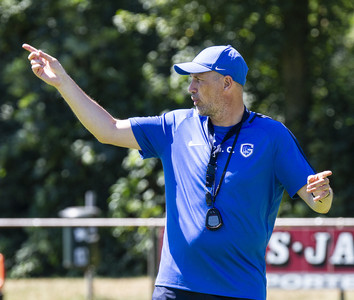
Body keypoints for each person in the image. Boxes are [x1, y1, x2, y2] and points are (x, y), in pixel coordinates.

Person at [22, 43, 333, 300]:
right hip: (175, 287)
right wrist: (62, 81)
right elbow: (109, 129)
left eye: (199, 79)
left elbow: (318, 202)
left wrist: (322, 195)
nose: (190, 88)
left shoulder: (272, 136)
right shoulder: (175, 125)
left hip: (239, 290)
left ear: (227, 83)